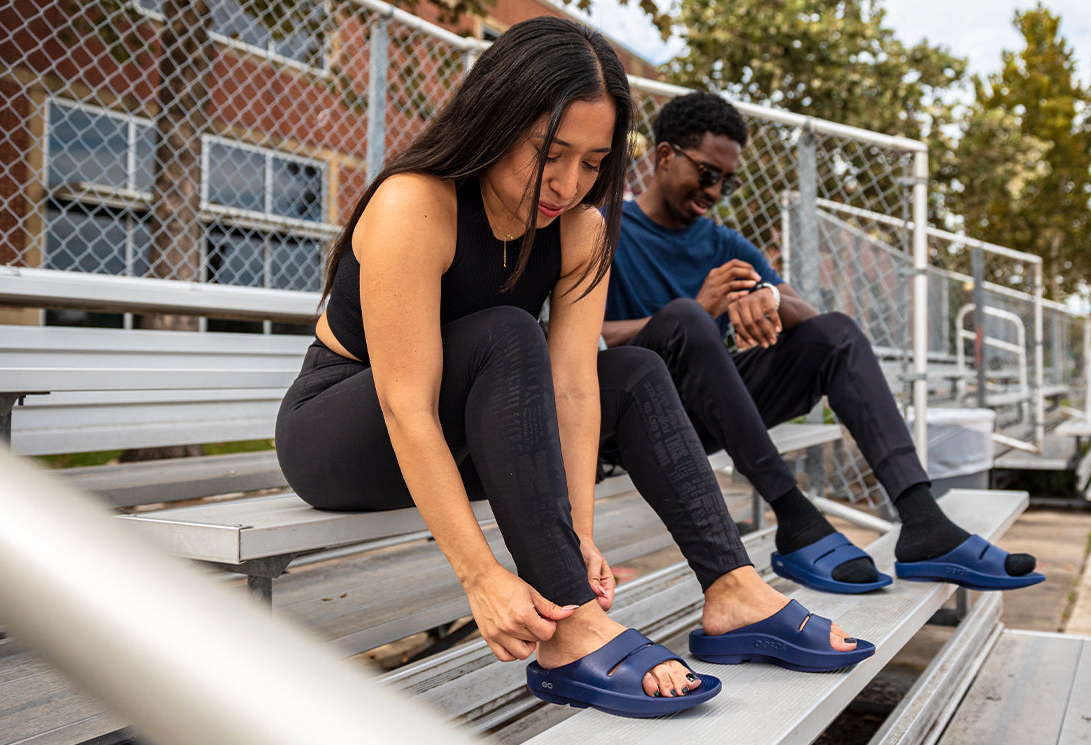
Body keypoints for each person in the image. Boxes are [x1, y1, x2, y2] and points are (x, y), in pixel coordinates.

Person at [275, 18, 873, 720]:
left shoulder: (581, 227)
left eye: (593, 161)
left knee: (637, 371)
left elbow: (573, 385)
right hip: (346, 430)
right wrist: (483, 575)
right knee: (506, 332)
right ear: (496, 120)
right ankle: (571, 633)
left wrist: (578, 534)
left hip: (464, 429)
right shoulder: (416, 203)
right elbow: (408, 404)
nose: (568, 182)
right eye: (549, 152)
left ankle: (734, 589)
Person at [603, 91, 1045, 595]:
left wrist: (768, 297)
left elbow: (817, 325)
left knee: (835, 333)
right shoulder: (606, 227)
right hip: (633, 418)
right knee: (685, 316)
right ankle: (794, 517)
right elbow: (579, 340)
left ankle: (924, 523)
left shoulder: (726, 246)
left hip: (710, 410)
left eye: (729, 180)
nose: (717, 191)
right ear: (664, 156)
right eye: (707, 173)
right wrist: (698, 312)